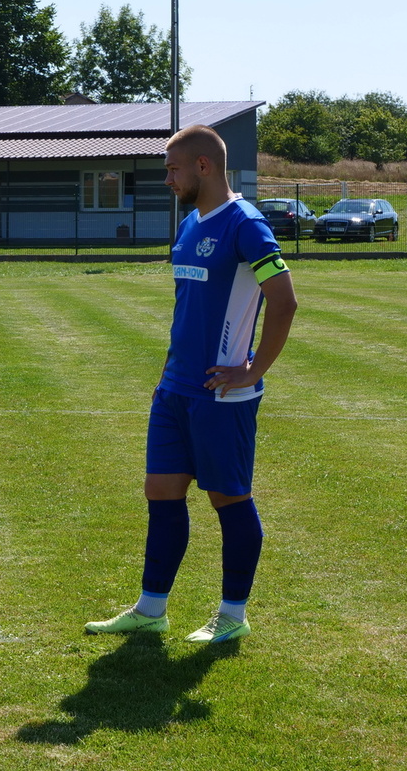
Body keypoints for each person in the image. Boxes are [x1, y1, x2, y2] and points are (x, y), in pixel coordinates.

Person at [86, 124, 297, 644]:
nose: (167, 179)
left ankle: (232, 615)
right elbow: (190, 308)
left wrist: (252, 370)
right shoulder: (188, 224)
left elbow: (284, 300)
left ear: (203, 166)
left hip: (222, 394)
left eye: (172, 169)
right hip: (175, 388)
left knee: (229, 498)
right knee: (160, 491)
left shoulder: (246, 223)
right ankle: (151, 609)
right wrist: (169, 372)